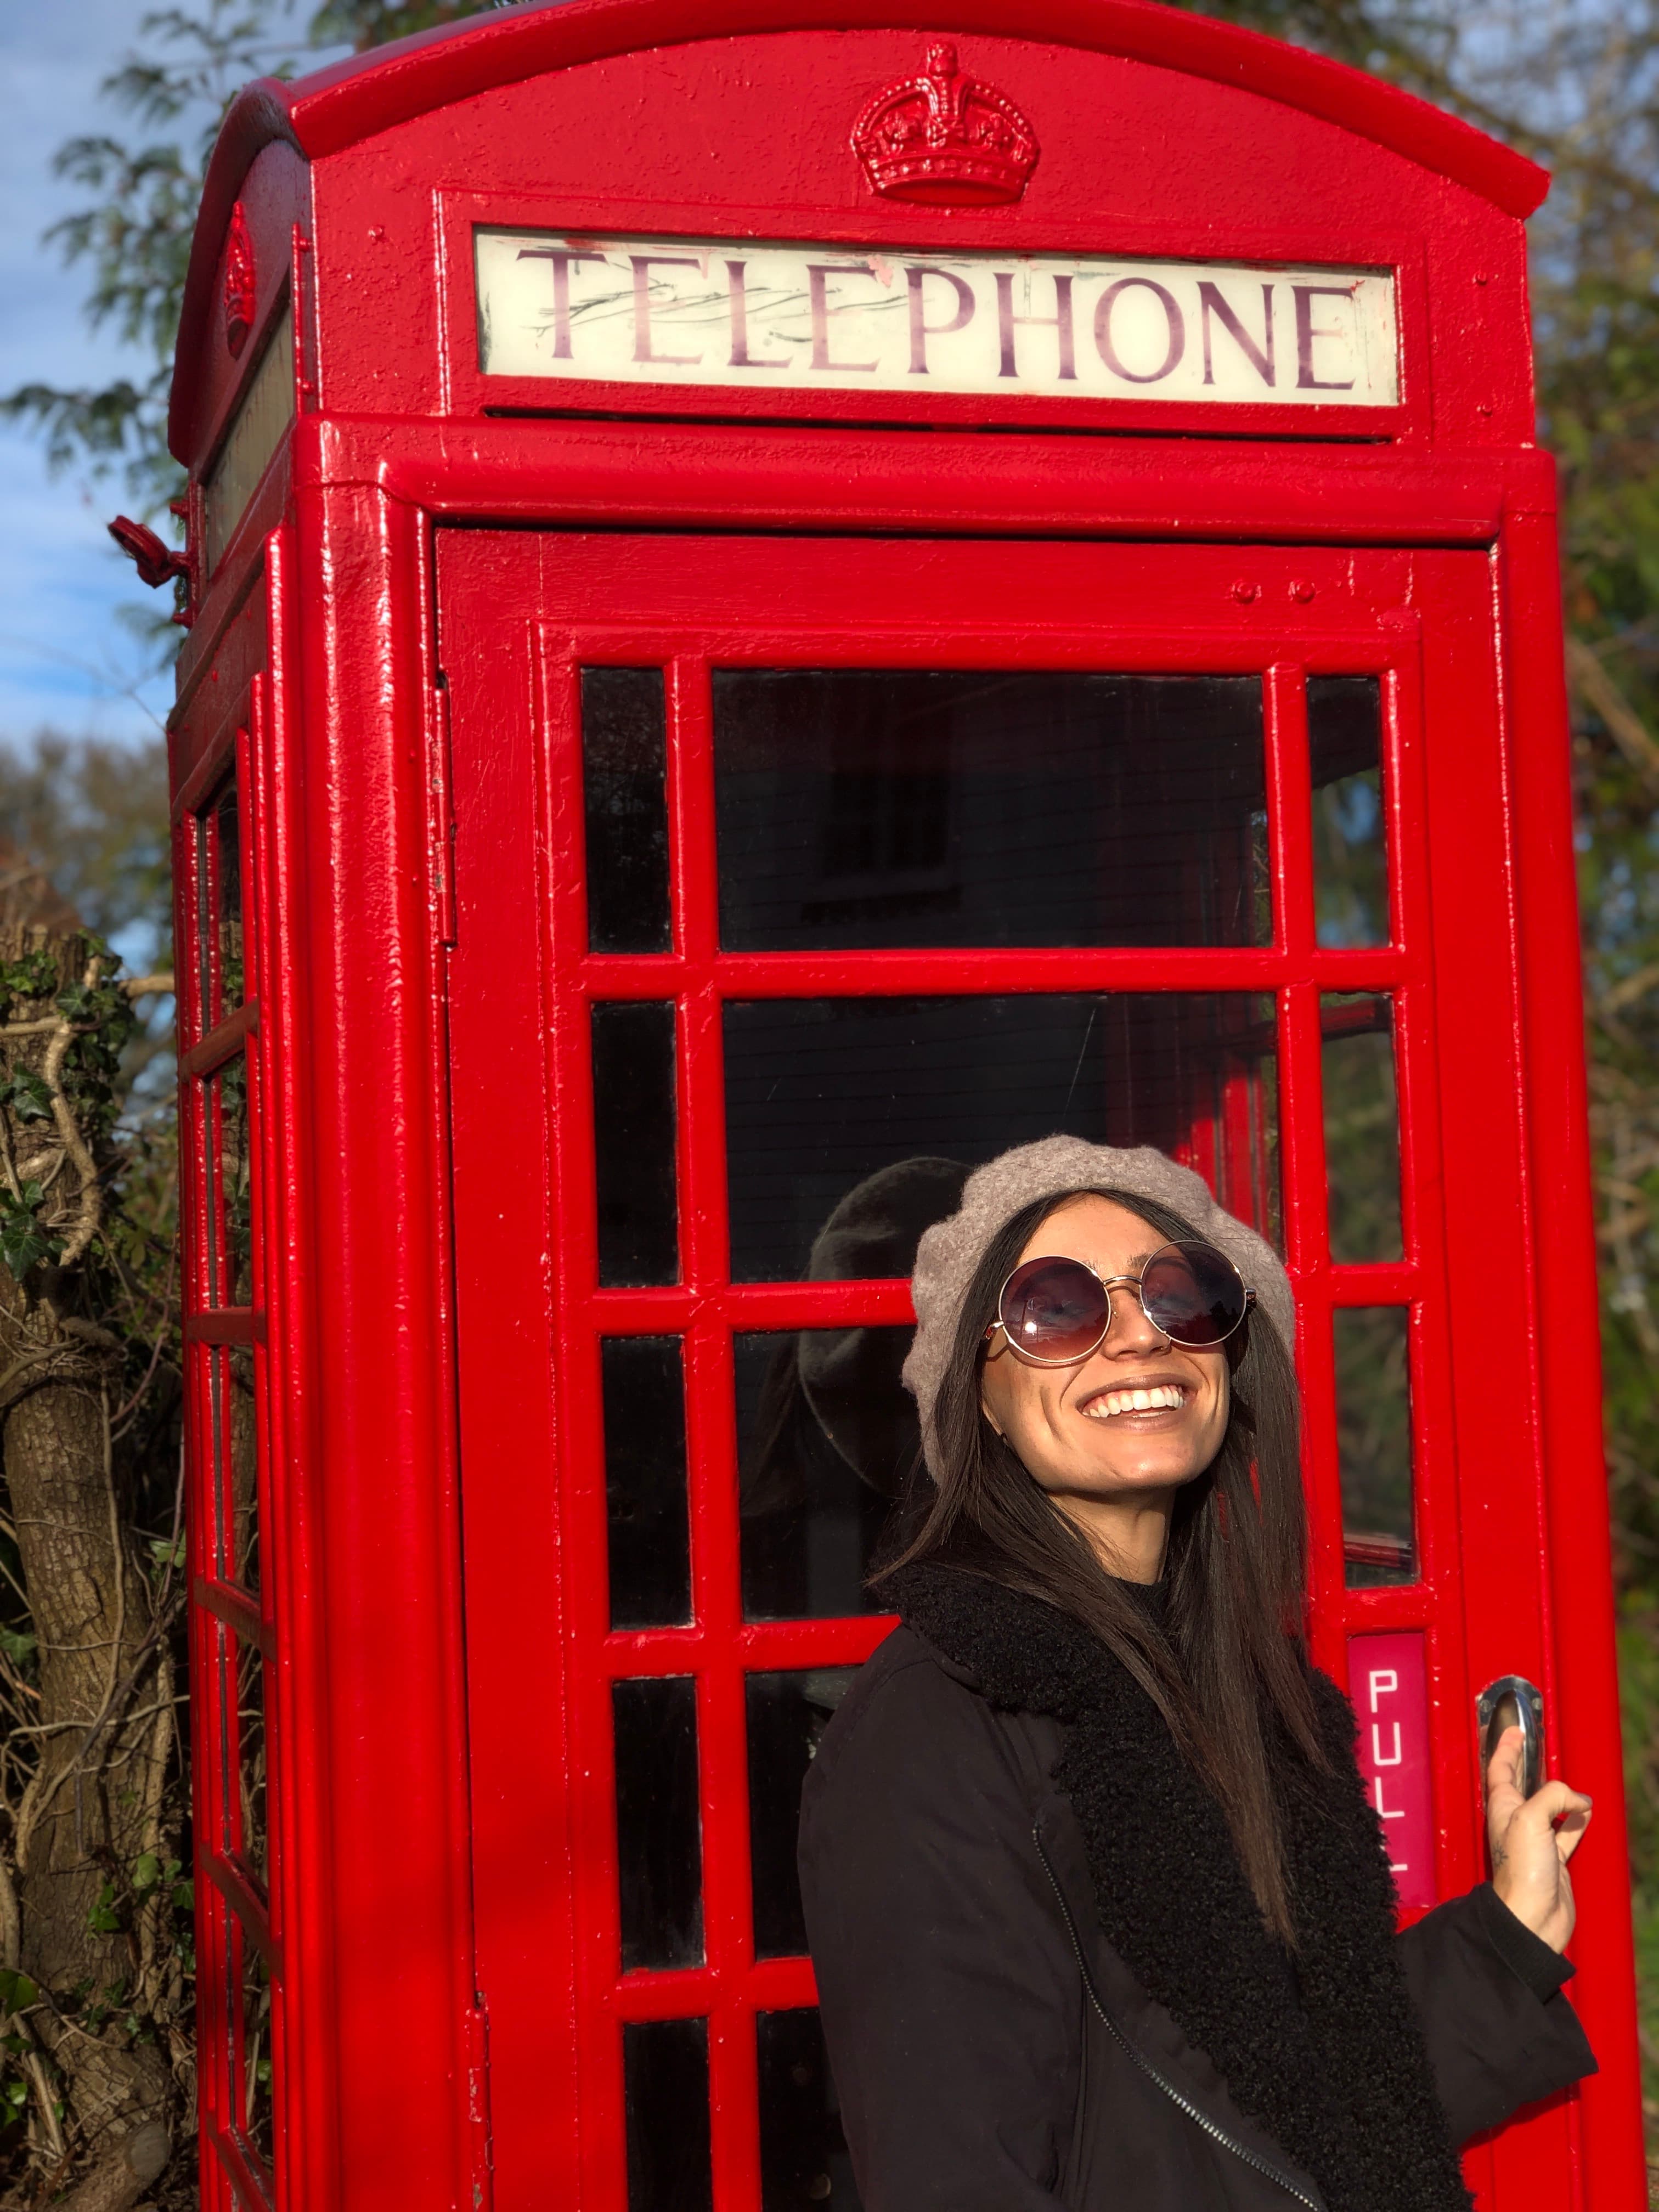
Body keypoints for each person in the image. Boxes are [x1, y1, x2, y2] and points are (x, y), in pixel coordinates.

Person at [798, 1136, 1595, 2212]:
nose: (1136, 1339)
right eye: (1056, 1310)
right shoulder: (938, 1733)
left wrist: (1508, 1936)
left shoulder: (1233, 1687)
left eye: (1181, 1297)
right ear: (975, 1396)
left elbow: (1280, 2124)